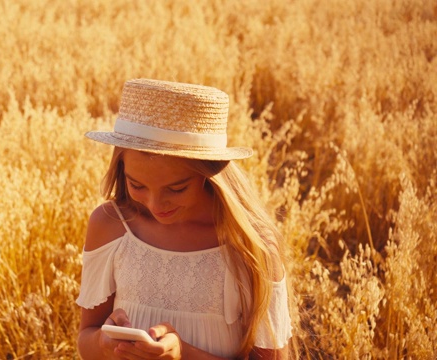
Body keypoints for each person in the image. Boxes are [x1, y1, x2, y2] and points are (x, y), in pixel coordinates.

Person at [76, 79, 292, 359]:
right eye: (137, 185)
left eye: (176, 189)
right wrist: (105, 344)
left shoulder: (251, 245)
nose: (155, 204)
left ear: (210, 174)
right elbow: (86, 337)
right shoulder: (110, 225)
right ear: (121, 168)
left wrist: (184, 354)